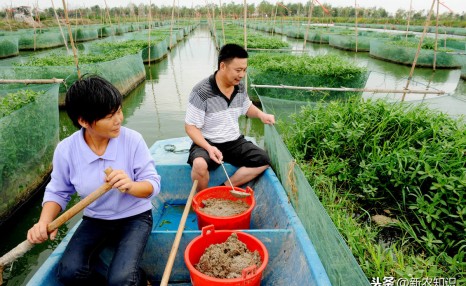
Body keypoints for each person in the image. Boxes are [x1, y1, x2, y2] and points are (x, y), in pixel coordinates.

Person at [26, 76, 161, 286]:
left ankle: (137, 280)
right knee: (69, 272)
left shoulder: (132, 140)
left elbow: (152, 185)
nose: (119, 120)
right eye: (109, 116)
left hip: (135, 217)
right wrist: (44, 222)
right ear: (84, 121)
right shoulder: (66, 149)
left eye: (119, 111)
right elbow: (59, 192)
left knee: (122, 279)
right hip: (96, 218)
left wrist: (131, 186)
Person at [185, 43, 275, 191]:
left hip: (234, 141)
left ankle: (224, 188)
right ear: (222, 66)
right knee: (200, 164)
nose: (242, 75)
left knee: (263, 160)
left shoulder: (239, 87)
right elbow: (190, 127)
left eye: (244, 70)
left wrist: (260, 114)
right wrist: (208, 147)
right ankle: (202, 197)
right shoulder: (201, 92)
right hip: (207, 141)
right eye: (238, 70)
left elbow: (246, 108)